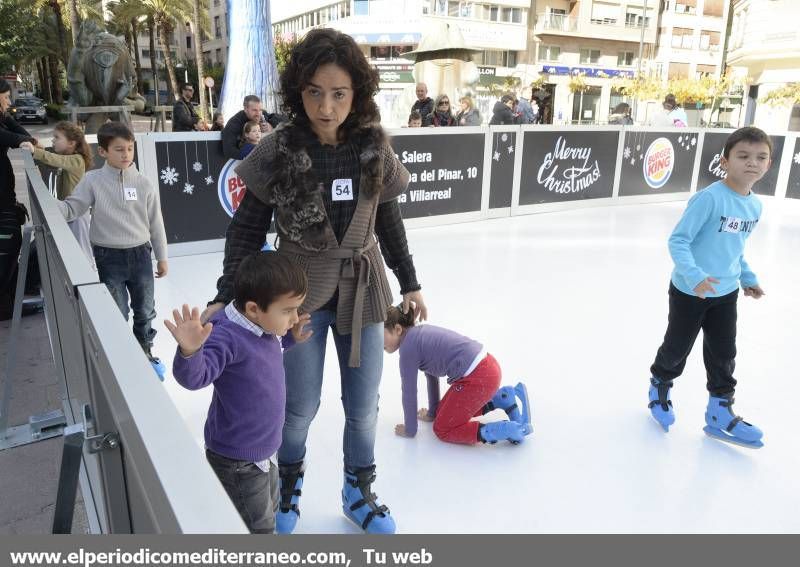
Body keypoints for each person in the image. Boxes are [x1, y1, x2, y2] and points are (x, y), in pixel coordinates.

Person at [202, 28, 427, 534]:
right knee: (297, 409)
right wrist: (226, 296)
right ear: (297, 91)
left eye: (339, 93)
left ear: (358, 94)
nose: (326, 107)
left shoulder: (373, 147)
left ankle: (358, 490)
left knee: (364, 408)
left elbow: (388, 220)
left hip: (365, 293)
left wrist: (410, 281)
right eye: (314, 92)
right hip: (294, 298)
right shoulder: (277, 150)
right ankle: (287, 486)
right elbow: (246, 230)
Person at [167, 252, 312, 534]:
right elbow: (196, 377)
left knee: (265, 512)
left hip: (264, 450)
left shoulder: (262, 326)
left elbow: (265, 357)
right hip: (238, 461)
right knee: (257, 529)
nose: (294, 317)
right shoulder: (225, 335)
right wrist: (190, 351)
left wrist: (291, 338)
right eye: (287, 310)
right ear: (254, 308)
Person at [647, 127, 772, 449]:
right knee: (677, 348)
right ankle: (660, 386)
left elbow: (736, 248)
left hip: (726, 293)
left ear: (769, 165)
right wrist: (695, 277)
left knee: (723, 353)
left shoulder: (754, 206)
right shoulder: (709, 199)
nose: (752, 163)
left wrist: (747, 278)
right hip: (690, 292)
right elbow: (679, 240)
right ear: (725, 161)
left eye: (760, 158)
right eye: (743, 156)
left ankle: (719, 412)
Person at [54, 121, 168, 369]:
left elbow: (155, 222)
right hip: (109, 256)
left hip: (140, 255)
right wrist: (51, 207)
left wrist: (162, 256)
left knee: (145, 308)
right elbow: (74, 207)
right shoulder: (92, 180)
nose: (126, 154)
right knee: (117, 310)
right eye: (119, 149)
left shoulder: (143, 183)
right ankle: (122, 354)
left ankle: (145, 349)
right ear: (103, 152)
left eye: (129, 148)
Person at [383, 305, 532, 445]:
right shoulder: (418, 335)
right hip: (488, 367)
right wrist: (433, 412)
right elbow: (431, 375)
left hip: (477, 377)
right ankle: (503, 398)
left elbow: (409, 391)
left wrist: (410, 429)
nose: (377, 343)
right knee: (442, 413)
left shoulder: (407, 348)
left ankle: (506, 430)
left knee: (442, 428)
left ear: (397, 329)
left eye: (380, 335)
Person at [19, 121, 94, 266]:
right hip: (67, 211)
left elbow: (55, 159)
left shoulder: (77, 160)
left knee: (81, 250)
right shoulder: (69, 159)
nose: (53, 140)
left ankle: (87, 280)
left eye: (57, 137)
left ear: (71, 143)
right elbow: (51, 161)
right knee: (71, 248)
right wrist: (38, 151)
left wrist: (35, 151)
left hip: (77, 214)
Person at [0, 78, 37, 320]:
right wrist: (20, 141)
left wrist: (25, 139)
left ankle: (8, 301)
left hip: (6, 200)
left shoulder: (3, 117)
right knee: (7, 247)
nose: (9, 101)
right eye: (5, 97)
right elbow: (13, 138)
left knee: (11, 246)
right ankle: (5, 307)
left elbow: (23, 134)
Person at [221, 95, 284, 161]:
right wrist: (254, 158)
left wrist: (271, 125)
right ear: (245, 109)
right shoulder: (234, 123)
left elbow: (284, 120)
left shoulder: (262, 115)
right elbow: (229, 151)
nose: (258, 114)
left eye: (260, 110)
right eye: (254, 110)